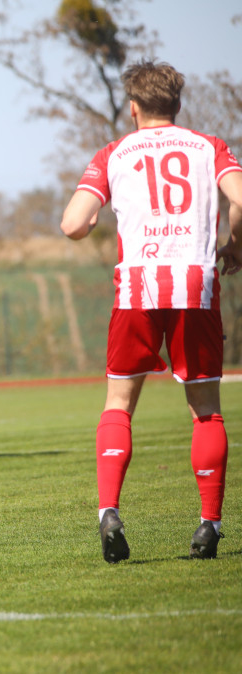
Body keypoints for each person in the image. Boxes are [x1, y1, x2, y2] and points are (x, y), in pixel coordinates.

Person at [61, 60, 242, 563]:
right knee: (206, 409)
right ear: (178, 105)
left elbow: (72, 224)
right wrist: (236, 241)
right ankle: (209, 523)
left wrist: (92, 220)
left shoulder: (114, 152)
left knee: (118, 403)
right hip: (195, 286)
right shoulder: (208, 146)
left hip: (137, 288)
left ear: (133, 108)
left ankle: (109, 511)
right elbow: (240, 197)